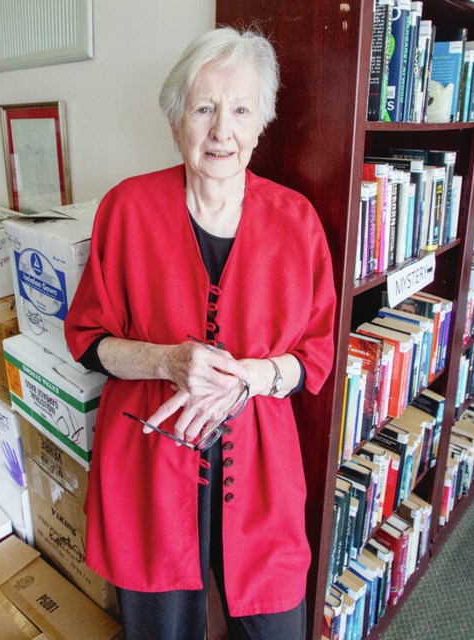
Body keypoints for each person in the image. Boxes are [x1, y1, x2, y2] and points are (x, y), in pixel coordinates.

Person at [64, 26, 336, 640]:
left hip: (263, 469)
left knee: (275, 629)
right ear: (175, 121)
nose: (221, 131)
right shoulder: (125, 209)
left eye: (240, 110)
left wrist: (253, 377)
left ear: (261, 124)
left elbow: (315, 356)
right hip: (147, 466)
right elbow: (87, 339)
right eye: (204, 108)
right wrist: (167, 361)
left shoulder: (297, 222)